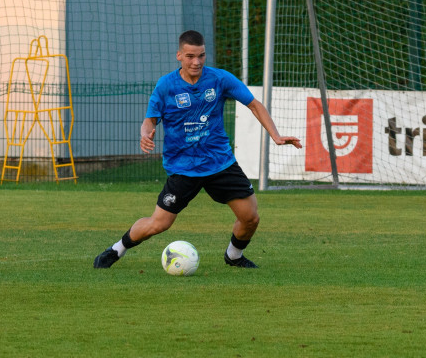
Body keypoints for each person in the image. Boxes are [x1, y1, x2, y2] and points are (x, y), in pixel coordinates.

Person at [93, 30, 302, 270]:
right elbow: (149, 120)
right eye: (190, 56)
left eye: (201, 55)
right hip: (183, 167)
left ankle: (233, 256)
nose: (197, 62)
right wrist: (145, 134)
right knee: (159, 224)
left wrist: (275, 135)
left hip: (219, 162)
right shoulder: (166, 86)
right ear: (179, 56)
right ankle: (116, 250)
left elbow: (254, 104)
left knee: (251, 217)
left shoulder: (219, 79)